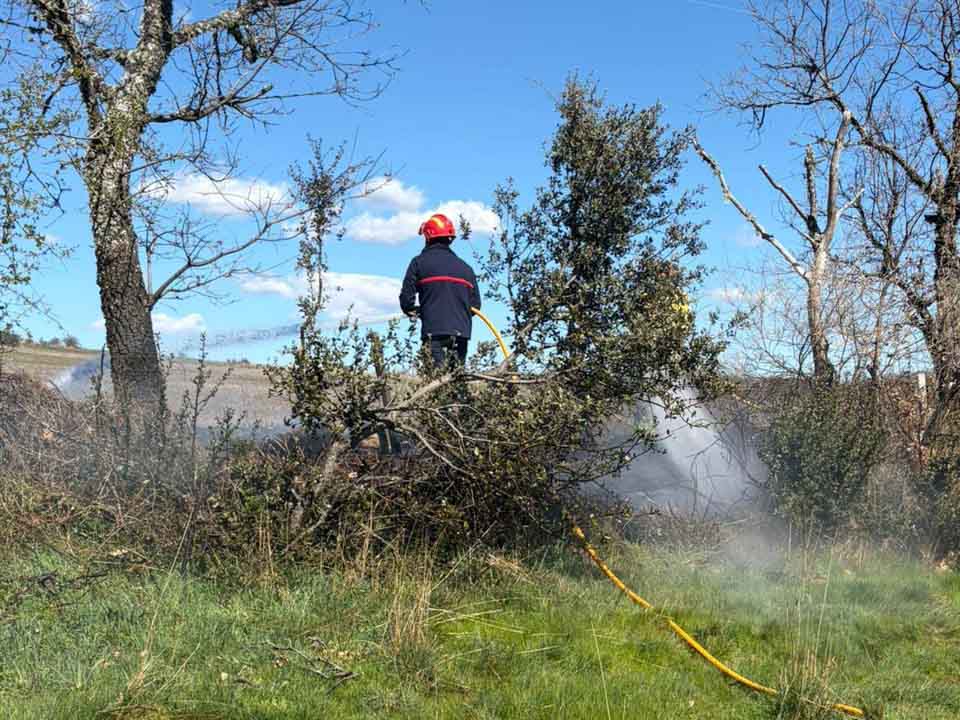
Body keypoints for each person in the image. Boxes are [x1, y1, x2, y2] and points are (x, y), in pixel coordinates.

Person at [399, 212, 481, 368]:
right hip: (461, 334)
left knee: (435, 382)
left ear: (428, 236)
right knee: (455, 382)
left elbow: (406, 300)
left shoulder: (418, 263)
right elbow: (476, 306)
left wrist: (421, 312)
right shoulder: (466, 269)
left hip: (433, 333)